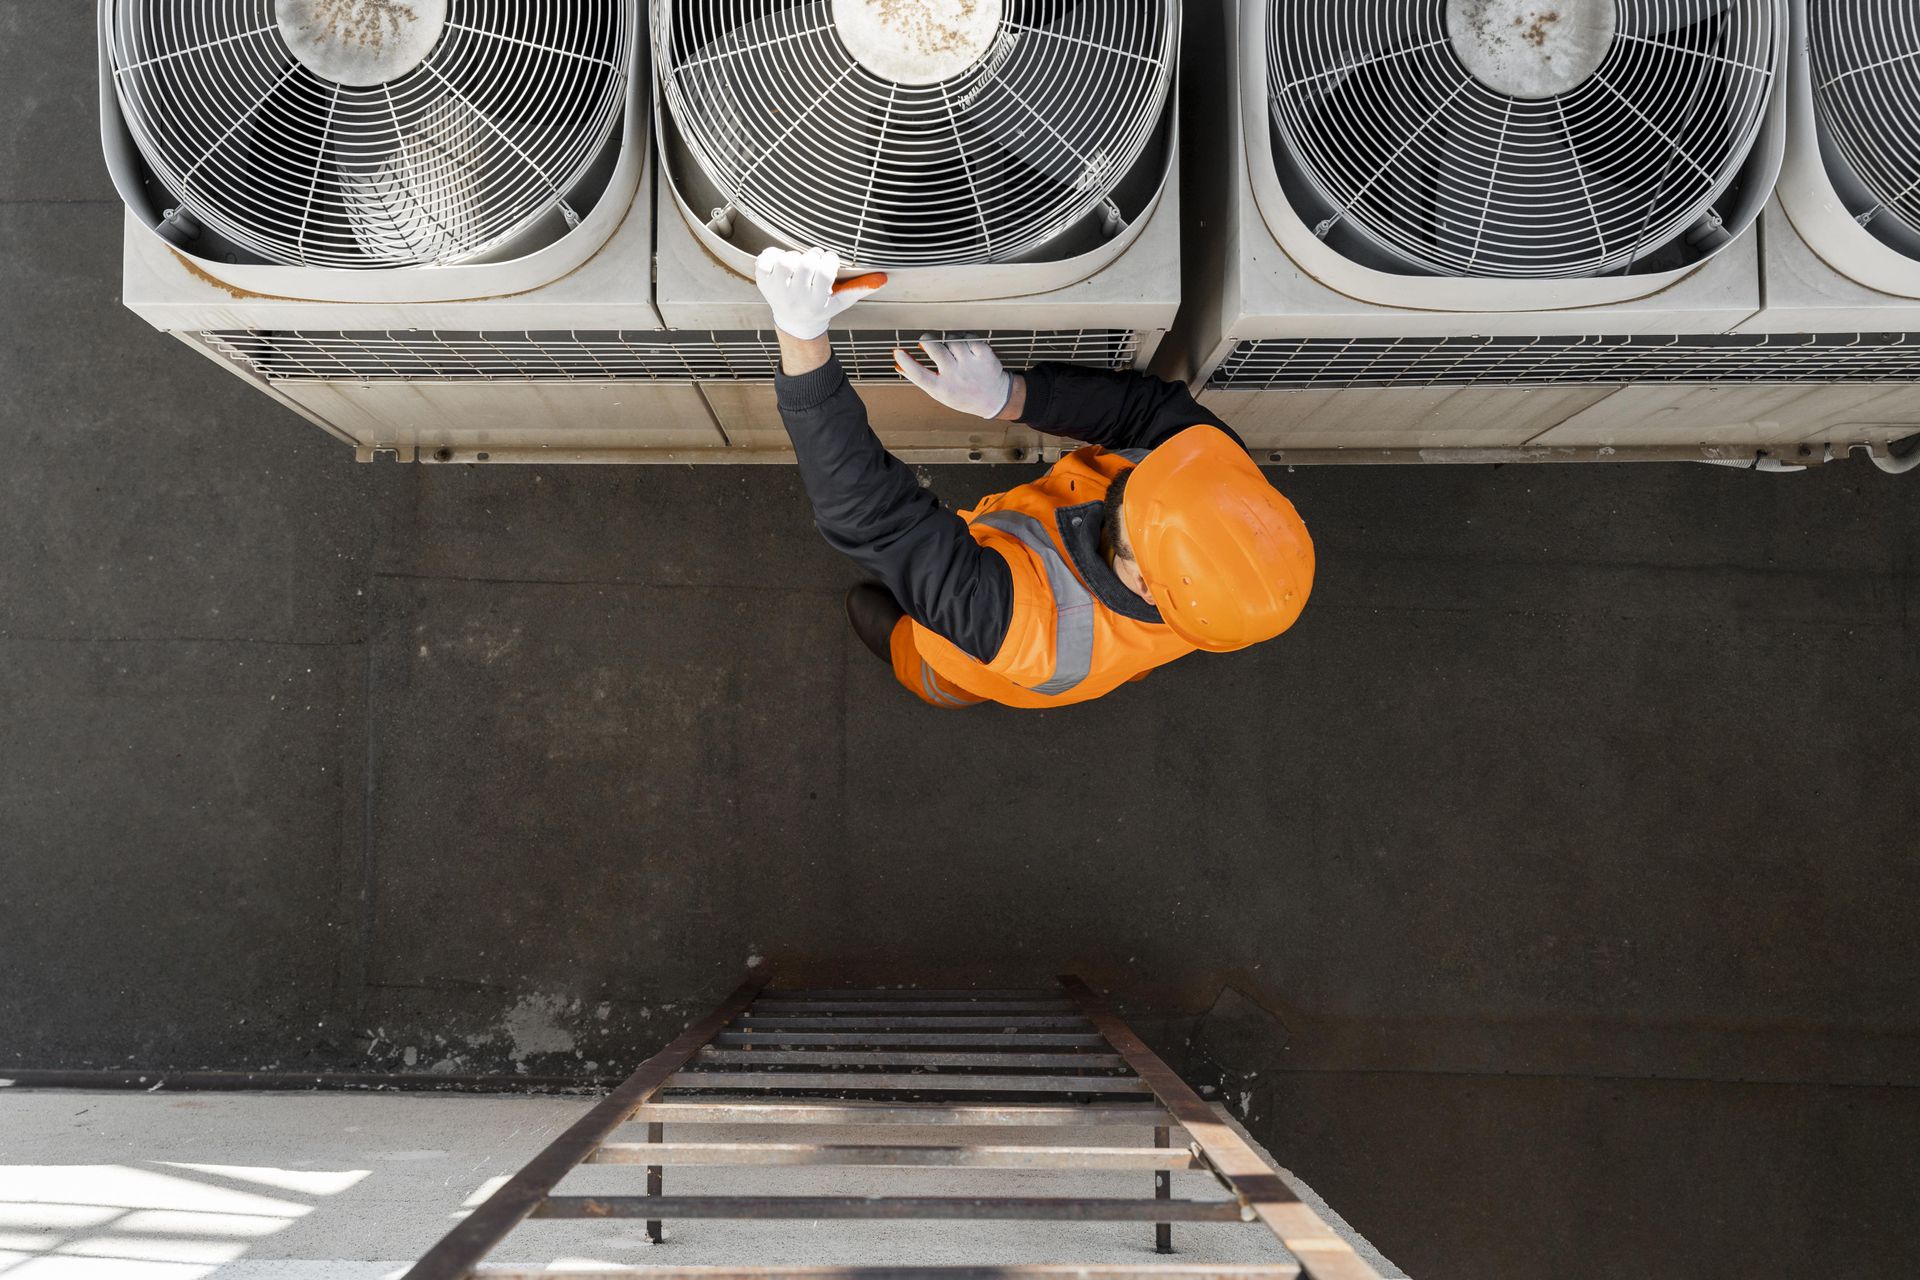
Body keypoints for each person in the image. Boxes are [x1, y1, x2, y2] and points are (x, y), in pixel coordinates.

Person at [756, 246, 1315, 709]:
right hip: (1109, 628)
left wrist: (801, 337)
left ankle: (914, 660)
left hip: (982, 655)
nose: (1139, 471)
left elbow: (874, 519)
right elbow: (1145, 414)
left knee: (939, 669)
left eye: (1141, 504)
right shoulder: (1217, 486)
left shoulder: (1026, 629)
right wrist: (1010, 397)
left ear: (1145, 581)